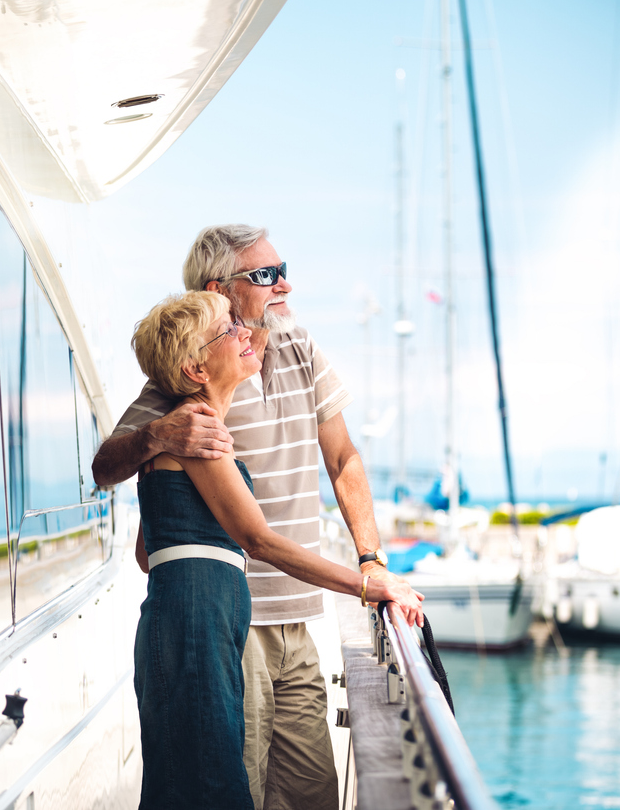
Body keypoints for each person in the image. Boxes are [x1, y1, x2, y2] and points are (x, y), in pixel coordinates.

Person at [93, 225, 398, 810]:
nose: (285, 284)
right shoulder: (185, 376)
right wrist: (158, 435)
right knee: (229, 785)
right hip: (230, 624)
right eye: (266, 275)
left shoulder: (295, 346)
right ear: (220, 288)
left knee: (312, 791)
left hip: (296, 616)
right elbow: (108, 463)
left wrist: (371, 557)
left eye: (283, 268)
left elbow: (342, 458)